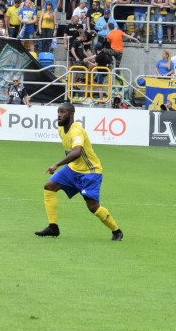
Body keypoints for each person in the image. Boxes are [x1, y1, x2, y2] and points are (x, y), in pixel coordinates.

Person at [35, 103, 123, 241]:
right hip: (73, 169)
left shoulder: (77, 130)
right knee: (49, 187)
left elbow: (76, 152)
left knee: (93, 207)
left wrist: (57, 164)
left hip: (90, 172)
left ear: (71, 114)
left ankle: (116, 231)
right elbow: (70, 153)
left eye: (62, 112)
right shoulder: (61, 129)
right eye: (58, 112)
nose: (59, 114)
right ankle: (53, 227)